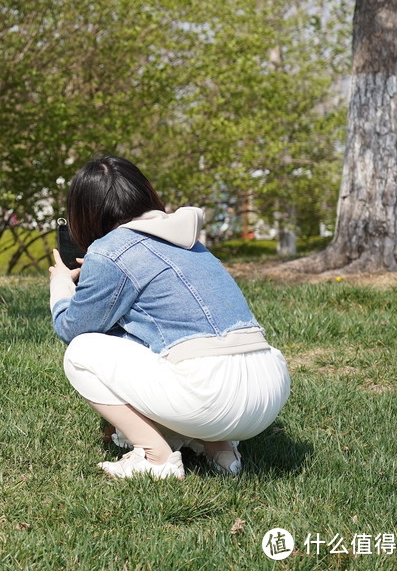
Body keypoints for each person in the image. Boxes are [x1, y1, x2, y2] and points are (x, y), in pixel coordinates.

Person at [49, 156, 290, 479]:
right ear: (145, 194)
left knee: (81, 353)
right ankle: (221, 451)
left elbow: (72, 328)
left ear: (85, 211)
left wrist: (61, 286)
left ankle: (155, 457)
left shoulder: (110, 250)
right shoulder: (189, 241)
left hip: (214, 395)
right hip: (269, 389)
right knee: (176, 341)